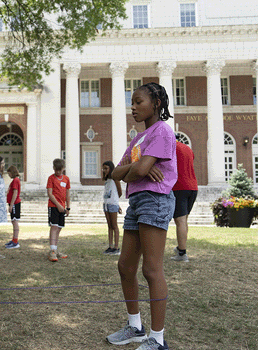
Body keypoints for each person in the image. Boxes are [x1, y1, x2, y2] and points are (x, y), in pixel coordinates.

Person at [106, 82, 177, 350]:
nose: (133, 107)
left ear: (156, 103)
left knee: (151, 269)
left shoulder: (162, 131)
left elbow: (135, 171)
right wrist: (138, 167)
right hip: (136, 201)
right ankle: (135, 327)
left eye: (138, 102)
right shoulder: (138, 139)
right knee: (125, 266)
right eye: (131, 102)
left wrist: (136, 169)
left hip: (155, 200)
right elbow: (115, 173)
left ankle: (157, 340)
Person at [170, 136, 198, 262]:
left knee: (180, 221)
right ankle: (181, 247)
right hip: (193, 187)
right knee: (184, 220)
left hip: (179, 186)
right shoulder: (187, 148)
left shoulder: (170, 148)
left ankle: (182, 253)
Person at [46, 158, 71, 262]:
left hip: (62, 207)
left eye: (60, 170)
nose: (58, 172)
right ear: (53, 168)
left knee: (59, 228)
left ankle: (55, 249)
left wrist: (67, 207)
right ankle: (52, 250)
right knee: (54, 227)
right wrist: (58, 205)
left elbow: (68, 194)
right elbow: (50, 194)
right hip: (53, 206)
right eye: (56, 170)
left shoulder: (66, 179)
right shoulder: (51, 178)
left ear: (63, 169)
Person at [102, 161, 122, 255]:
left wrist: (117, 204)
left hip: (113, 205)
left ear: (111, 168)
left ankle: (116, 247)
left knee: (114, 225)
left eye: (106, 168)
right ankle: (110, 246)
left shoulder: (115, 178)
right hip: (106, 204)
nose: (104, 170)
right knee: (109, 226)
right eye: (103, 168)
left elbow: (119, 192)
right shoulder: (107, 180)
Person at [5, 165, 21, 249]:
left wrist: (11, 205)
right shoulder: (15, 180)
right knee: (13, 221)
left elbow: (15, 193)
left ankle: (15, 241)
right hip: (13, 203)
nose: (9, 175)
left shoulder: (15, 180)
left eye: (9, 173)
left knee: (15, 221)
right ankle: (14, 239)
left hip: (14, 203)